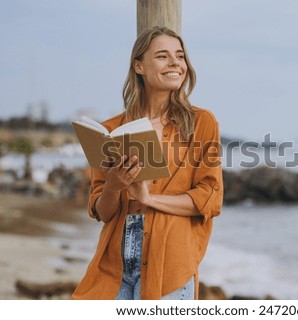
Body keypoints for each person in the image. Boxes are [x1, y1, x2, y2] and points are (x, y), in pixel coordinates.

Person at [72, 26, 223, 300]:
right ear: (139, 66)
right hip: (113, 263)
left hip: (170, 264)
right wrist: (114, 187)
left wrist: (147, 198)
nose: (176, 63)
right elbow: (102, 212)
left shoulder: (202, 123)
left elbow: (209, 199)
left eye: (180, 56)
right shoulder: (111, 130)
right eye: (163, 56)